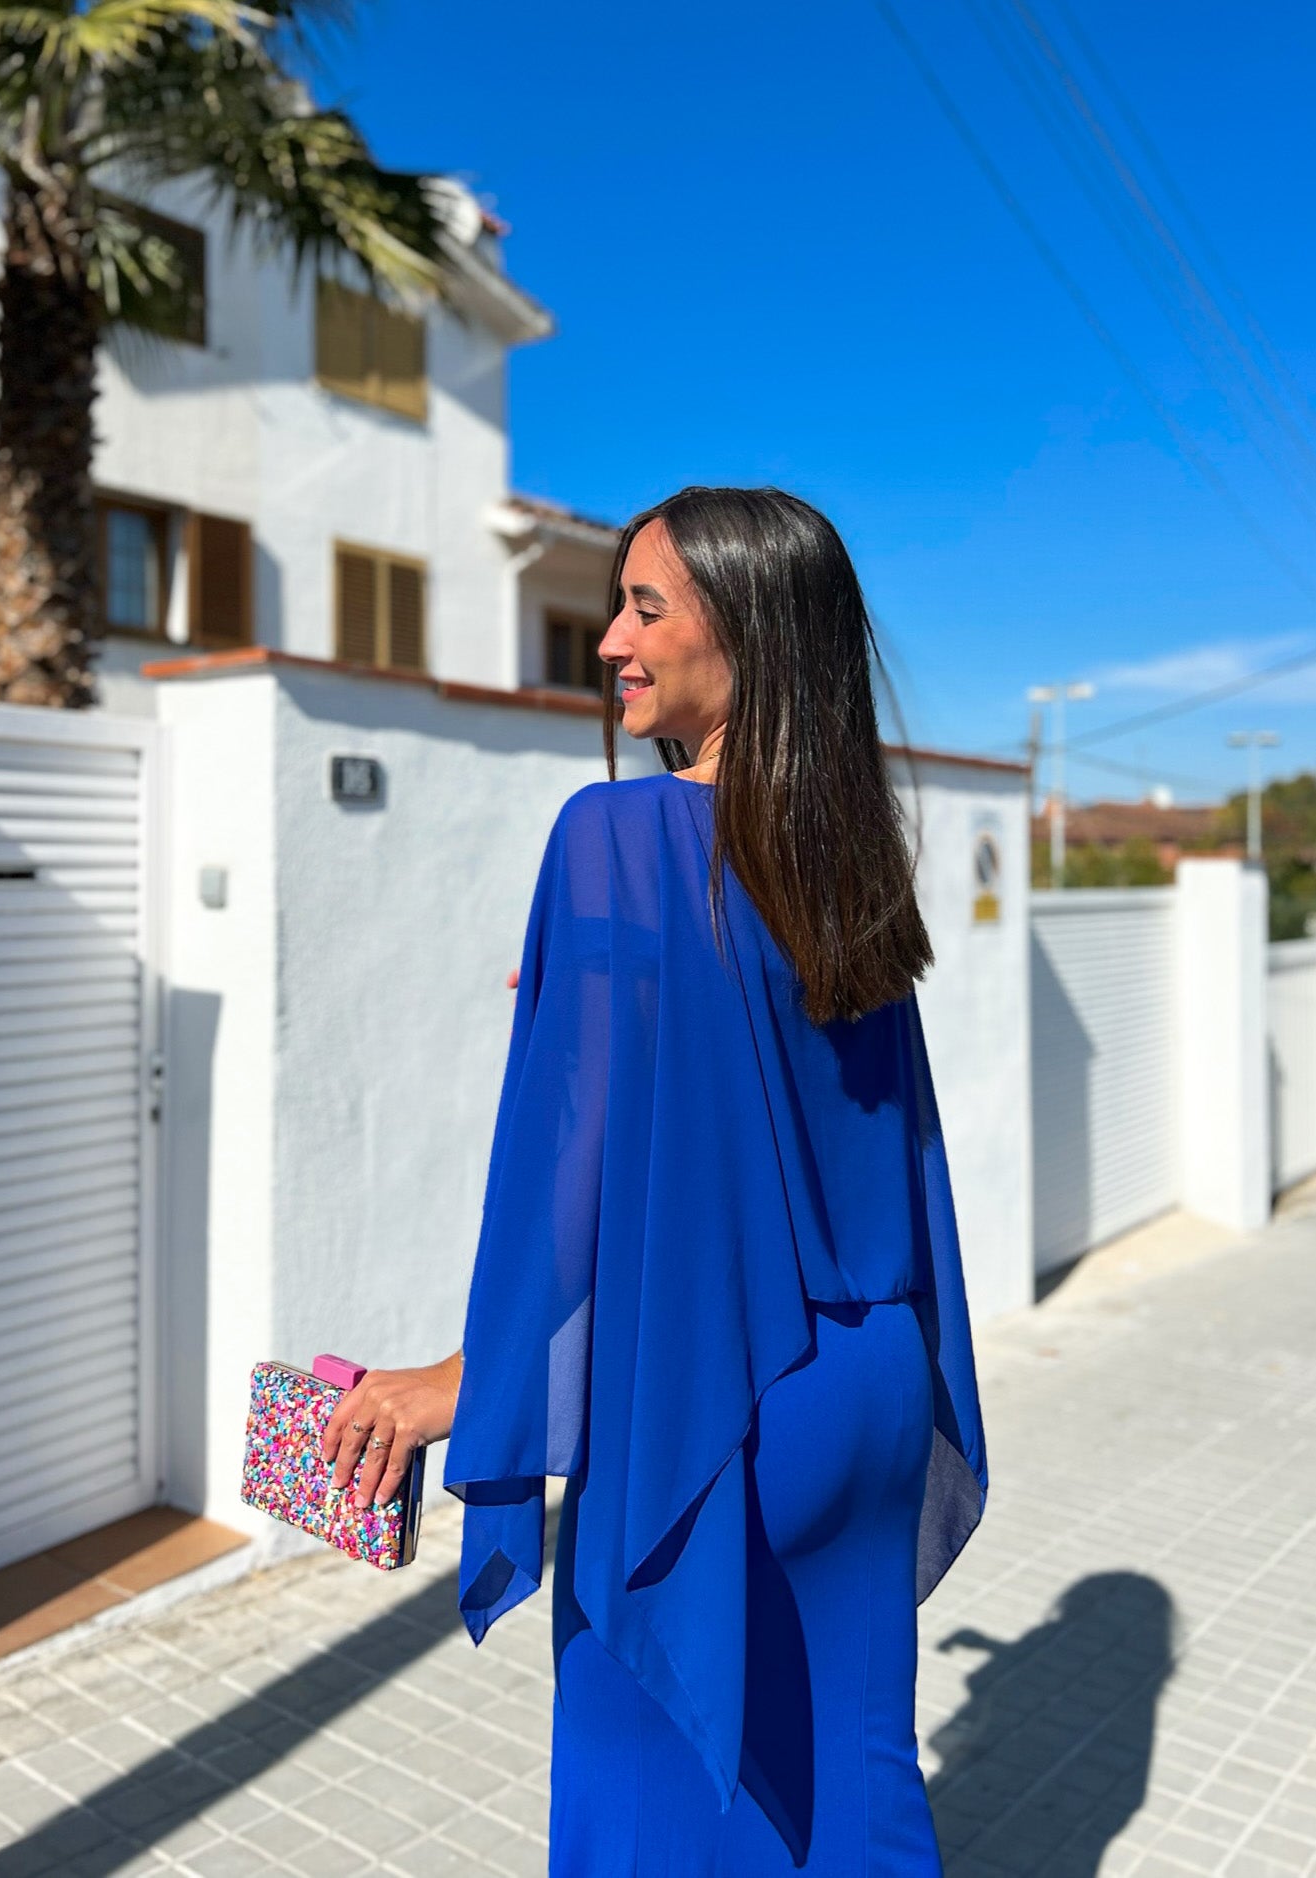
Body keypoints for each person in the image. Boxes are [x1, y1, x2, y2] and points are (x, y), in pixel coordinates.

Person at [322, 486, 988, 1874]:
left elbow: (570, 1200)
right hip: (872, 1393)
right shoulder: (848, 867)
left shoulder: (613, 842)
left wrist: (463, 1388)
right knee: (857, 1794)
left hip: (715, 1415)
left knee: (647, 1812)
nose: (611, 643)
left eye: (646, 608)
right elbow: (898, 1156)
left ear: (750, 635)